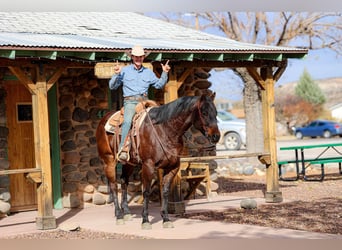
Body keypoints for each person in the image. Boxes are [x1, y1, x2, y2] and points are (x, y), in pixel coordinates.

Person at [109, 45, 171, 161]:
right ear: (132, 57)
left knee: (159, 119)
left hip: (146, 102)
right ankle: (123, 149)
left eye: (140, 57)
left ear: (143, 57)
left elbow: (158, 85)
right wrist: (116, 74)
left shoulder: (148, 72)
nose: (138, 59)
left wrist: (164, 73)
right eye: (136, 57)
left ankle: (159, 147)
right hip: (130, 102)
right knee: (127, 121)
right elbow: (112, 86)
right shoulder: (124, 71)